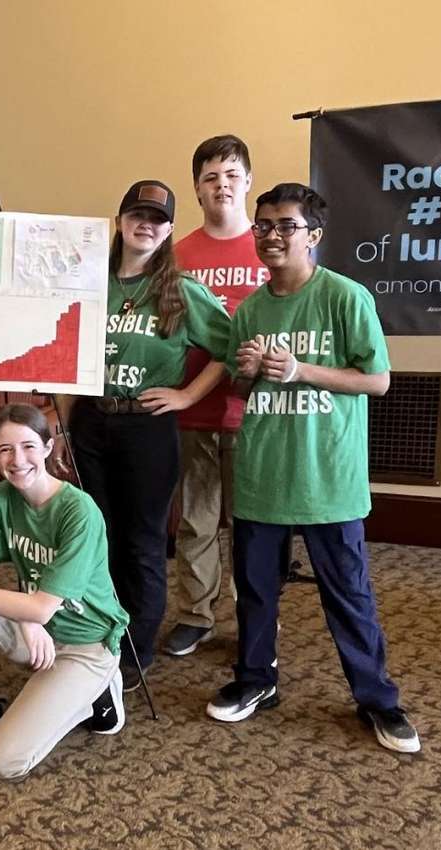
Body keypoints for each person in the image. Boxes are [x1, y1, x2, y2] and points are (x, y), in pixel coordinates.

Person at [206, 182, 421, 754]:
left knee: (348, 595)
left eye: (285, 226)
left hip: (327, 479)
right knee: (254, 591)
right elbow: (239, 380)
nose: (271, 236)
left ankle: (377, 700)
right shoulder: (250, 307)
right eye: (263, 226)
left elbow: (377, 381)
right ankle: (256, 681)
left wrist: (302, 369)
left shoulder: (346, 297)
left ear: (314, 236)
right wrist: (248, 369)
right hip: (261, 475)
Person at [65, 180, 231, 691]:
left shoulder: (181, 290)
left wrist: (185, 396)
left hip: (147, 427)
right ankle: (99, 635)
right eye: (137, 214)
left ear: (170, 230)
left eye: (158, 219)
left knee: (141, 542)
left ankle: (135, 650)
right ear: (119, 220)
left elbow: (229, 348)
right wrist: (60, 424)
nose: (146, 225)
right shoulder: (89, 283)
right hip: (91, 422)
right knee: (97, 537)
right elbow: (68, 359)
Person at [0, 403, 129, 780]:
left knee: (4, 761)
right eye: (5, 449)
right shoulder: (3, 497)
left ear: (49, 447)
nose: (18, 460)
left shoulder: (78, 512)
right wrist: (27, 618)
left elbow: (39, 606)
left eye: (29, 446)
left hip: (85, 646)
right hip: (37, 628)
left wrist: (30, 613)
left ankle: (97, 694)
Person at [165, 135, 269, 656]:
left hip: (258, 413)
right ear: (197, 189)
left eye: (231, 175)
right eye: (210, 177)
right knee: (196, 520)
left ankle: (254, 620)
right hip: (194, 409)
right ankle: (195, 614)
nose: (221, 185)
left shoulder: (269, 247)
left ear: (248, 181)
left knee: (254, 526)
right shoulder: (178, 254)